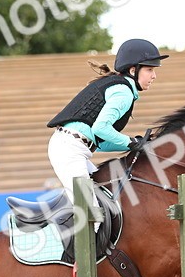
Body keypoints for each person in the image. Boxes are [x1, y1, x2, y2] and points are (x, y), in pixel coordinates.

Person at [46, 38, 168, 206]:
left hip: (73, 146)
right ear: (133, 70)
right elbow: (101, 128)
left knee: (106, 200)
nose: (154, 76)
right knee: (91, 213)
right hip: (69, 149)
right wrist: (130, 142)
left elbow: (101, 141)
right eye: (149, 69)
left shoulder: (121, 88)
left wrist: (134, 144)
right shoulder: (123, 92)